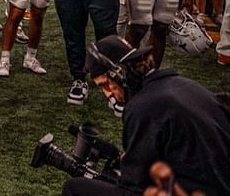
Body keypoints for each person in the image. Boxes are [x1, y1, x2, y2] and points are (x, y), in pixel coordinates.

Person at [60, 35, 230, 196]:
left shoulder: (143, 107)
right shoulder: (185, 85)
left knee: (75, 188)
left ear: (118, 75)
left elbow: (132, 190)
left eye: (105, 85)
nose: (108, 94)